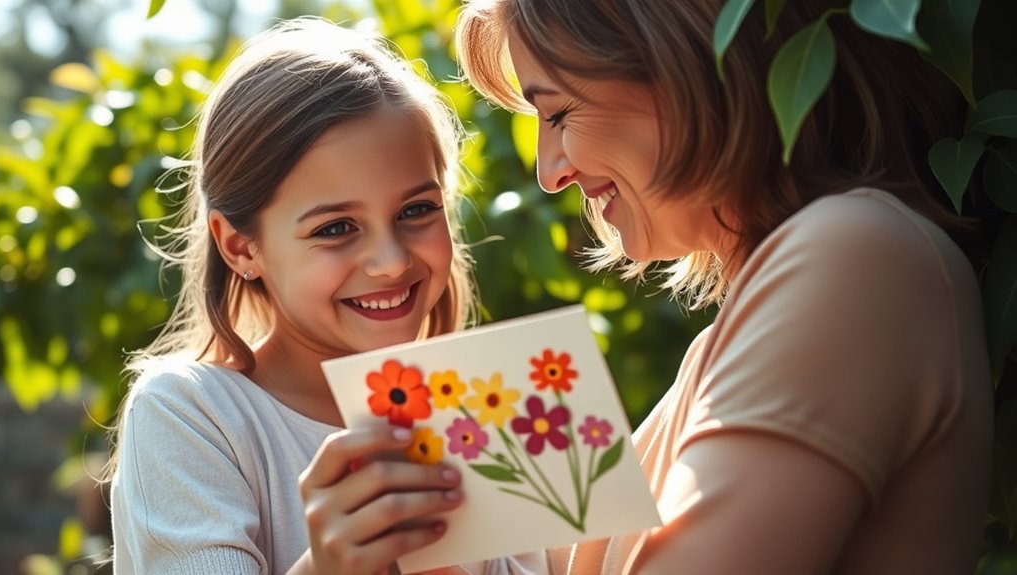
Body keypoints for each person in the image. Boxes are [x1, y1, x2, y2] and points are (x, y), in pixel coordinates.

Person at [447, 0, 995, 574]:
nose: (549, 171)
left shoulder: (857, 254)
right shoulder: (711, 354)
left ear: (682, 64)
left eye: (557, 115)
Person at [108, 17, 477, 574]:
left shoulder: (482, 415)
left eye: (416, 211)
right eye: (335, 228)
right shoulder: (190, 415)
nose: (392, 261)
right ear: (240, 247)